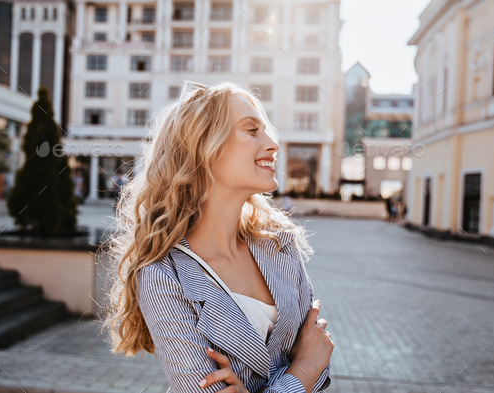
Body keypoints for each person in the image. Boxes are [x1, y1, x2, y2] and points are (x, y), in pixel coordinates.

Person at [100, 81, 334, 393]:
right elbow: (312, 362)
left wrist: (303, 367)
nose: (272, 143)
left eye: (266, 130)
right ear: (204, 147)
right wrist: (302, 367)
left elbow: (322, 358)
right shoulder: (161, 276)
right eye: (251, 130)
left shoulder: (279, 242)